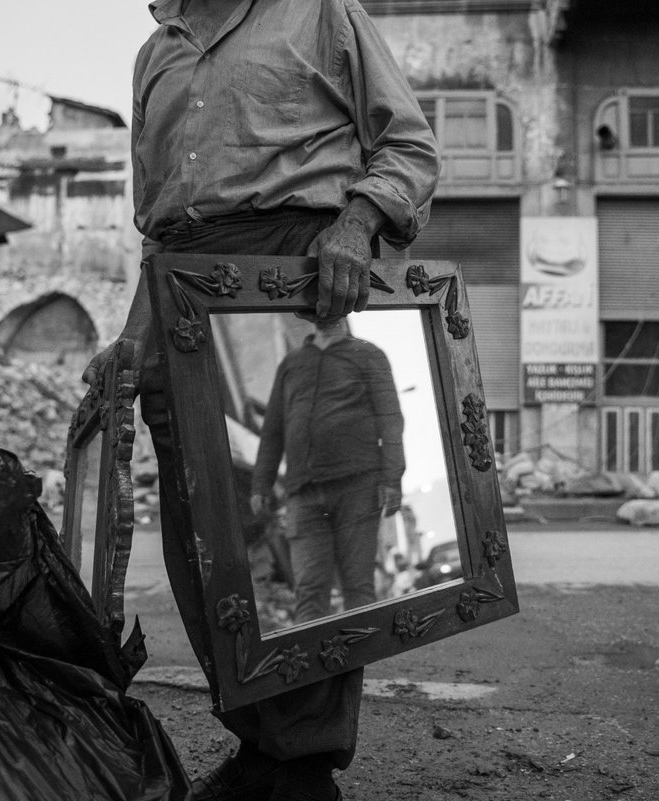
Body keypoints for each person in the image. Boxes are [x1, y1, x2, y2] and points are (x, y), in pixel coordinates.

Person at [82, 1, 438, 799]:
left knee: (306, 577)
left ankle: (302, 764)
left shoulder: (318, 11)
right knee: (207, 540)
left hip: (295, 265)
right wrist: (132, 342)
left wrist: (357, 222)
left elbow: (408, 146)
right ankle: (263, 746)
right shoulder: (155, 54)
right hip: (182, 289)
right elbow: (158, 230)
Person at [249, 316, 405, 624]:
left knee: (357, 587)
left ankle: (352, 672)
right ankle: (315, 673)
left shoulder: (368, 354)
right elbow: (273, 430)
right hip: (303, 492)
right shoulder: (292, 363)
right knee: (308, 589)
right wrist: (260, 485)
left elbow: (391, 419)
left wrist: (392, 479)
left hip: (358, 486)